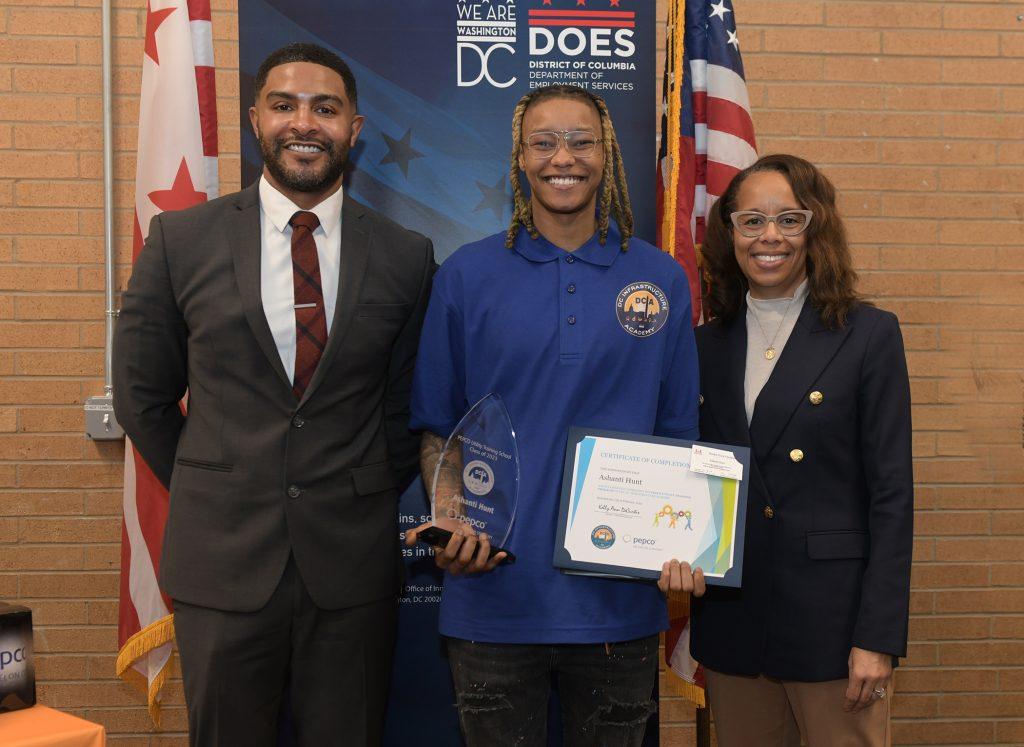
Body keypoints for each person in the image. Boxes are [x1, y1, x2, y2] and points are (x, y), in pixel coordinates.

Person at [113, 42, 433, 746]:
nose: (304, 122)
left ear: (356, 126)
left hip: (351, 571)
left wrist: (355, 485)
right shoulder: (181, 241)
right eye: (284, 105)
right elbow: (142, 395)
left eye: (326, 107)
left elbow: (406, 407)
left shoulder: (406, 255)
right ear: (256, 118)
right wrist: (216, 481)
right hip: (221, 564)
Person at [405, 84, 704, 747]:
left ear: (607, 155)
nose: (561, 157)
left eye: (580, 141)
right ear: (519, 155)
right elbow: (436, 429)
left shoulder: (660, 278)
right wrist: (452, 514)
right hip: (492, 603)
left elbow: (680, 435)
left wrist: (688, 541)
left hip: (617, 610)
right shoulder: (464, 275)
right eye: (542, 142)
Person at [690, 153, 913, 746]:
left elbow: (892, 494)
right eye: (751, 221)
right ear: (729, 232)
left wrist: (878, 637)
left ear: (817, 230)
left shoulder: (868, 334)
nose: (770, 237)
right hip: (735, 624)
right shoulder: (703, 345)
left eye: (790, 220)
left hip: (835, 632)